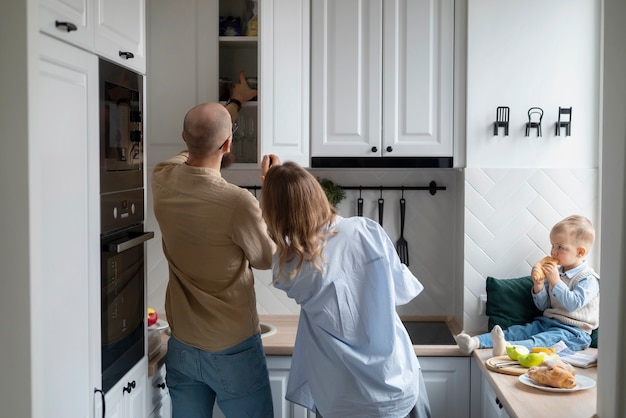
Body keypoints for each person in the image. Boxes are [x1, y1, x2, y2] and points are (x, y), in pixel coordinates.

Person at [258, 157, 432, 418]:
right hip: (394, 384)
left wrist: (272, 186)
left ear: (274, 213)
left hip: (340, 398)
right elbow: (401, 292)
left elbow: (284, 239)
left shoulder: (288, 269)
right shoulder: (366, 231)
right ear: (317, 194)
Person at [151, 73, 275, 418]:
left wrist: (233, 104)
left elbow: (195, 147)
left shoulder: (162, 178)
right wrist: (270, 189)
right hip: (233, 347)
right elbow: (267, 258)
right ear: (229, 146)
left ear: (182, 139)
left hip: (183, 346)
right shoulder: (237, 202)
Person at [455, 215, 600, 356]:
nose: (553, 252)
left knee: (540, 341)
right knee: (519, 331)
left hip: (575, 332)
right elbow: (544, 306)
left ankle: (506, 348)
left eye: (560, 247)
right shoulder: (557, 272)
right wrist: (539, 287)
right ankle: (475, 342)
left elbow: (573, 304)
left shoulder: (588, 279)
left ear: (580, 252)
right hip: (548, 322)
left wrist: (556, 282)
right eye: (553, 245)